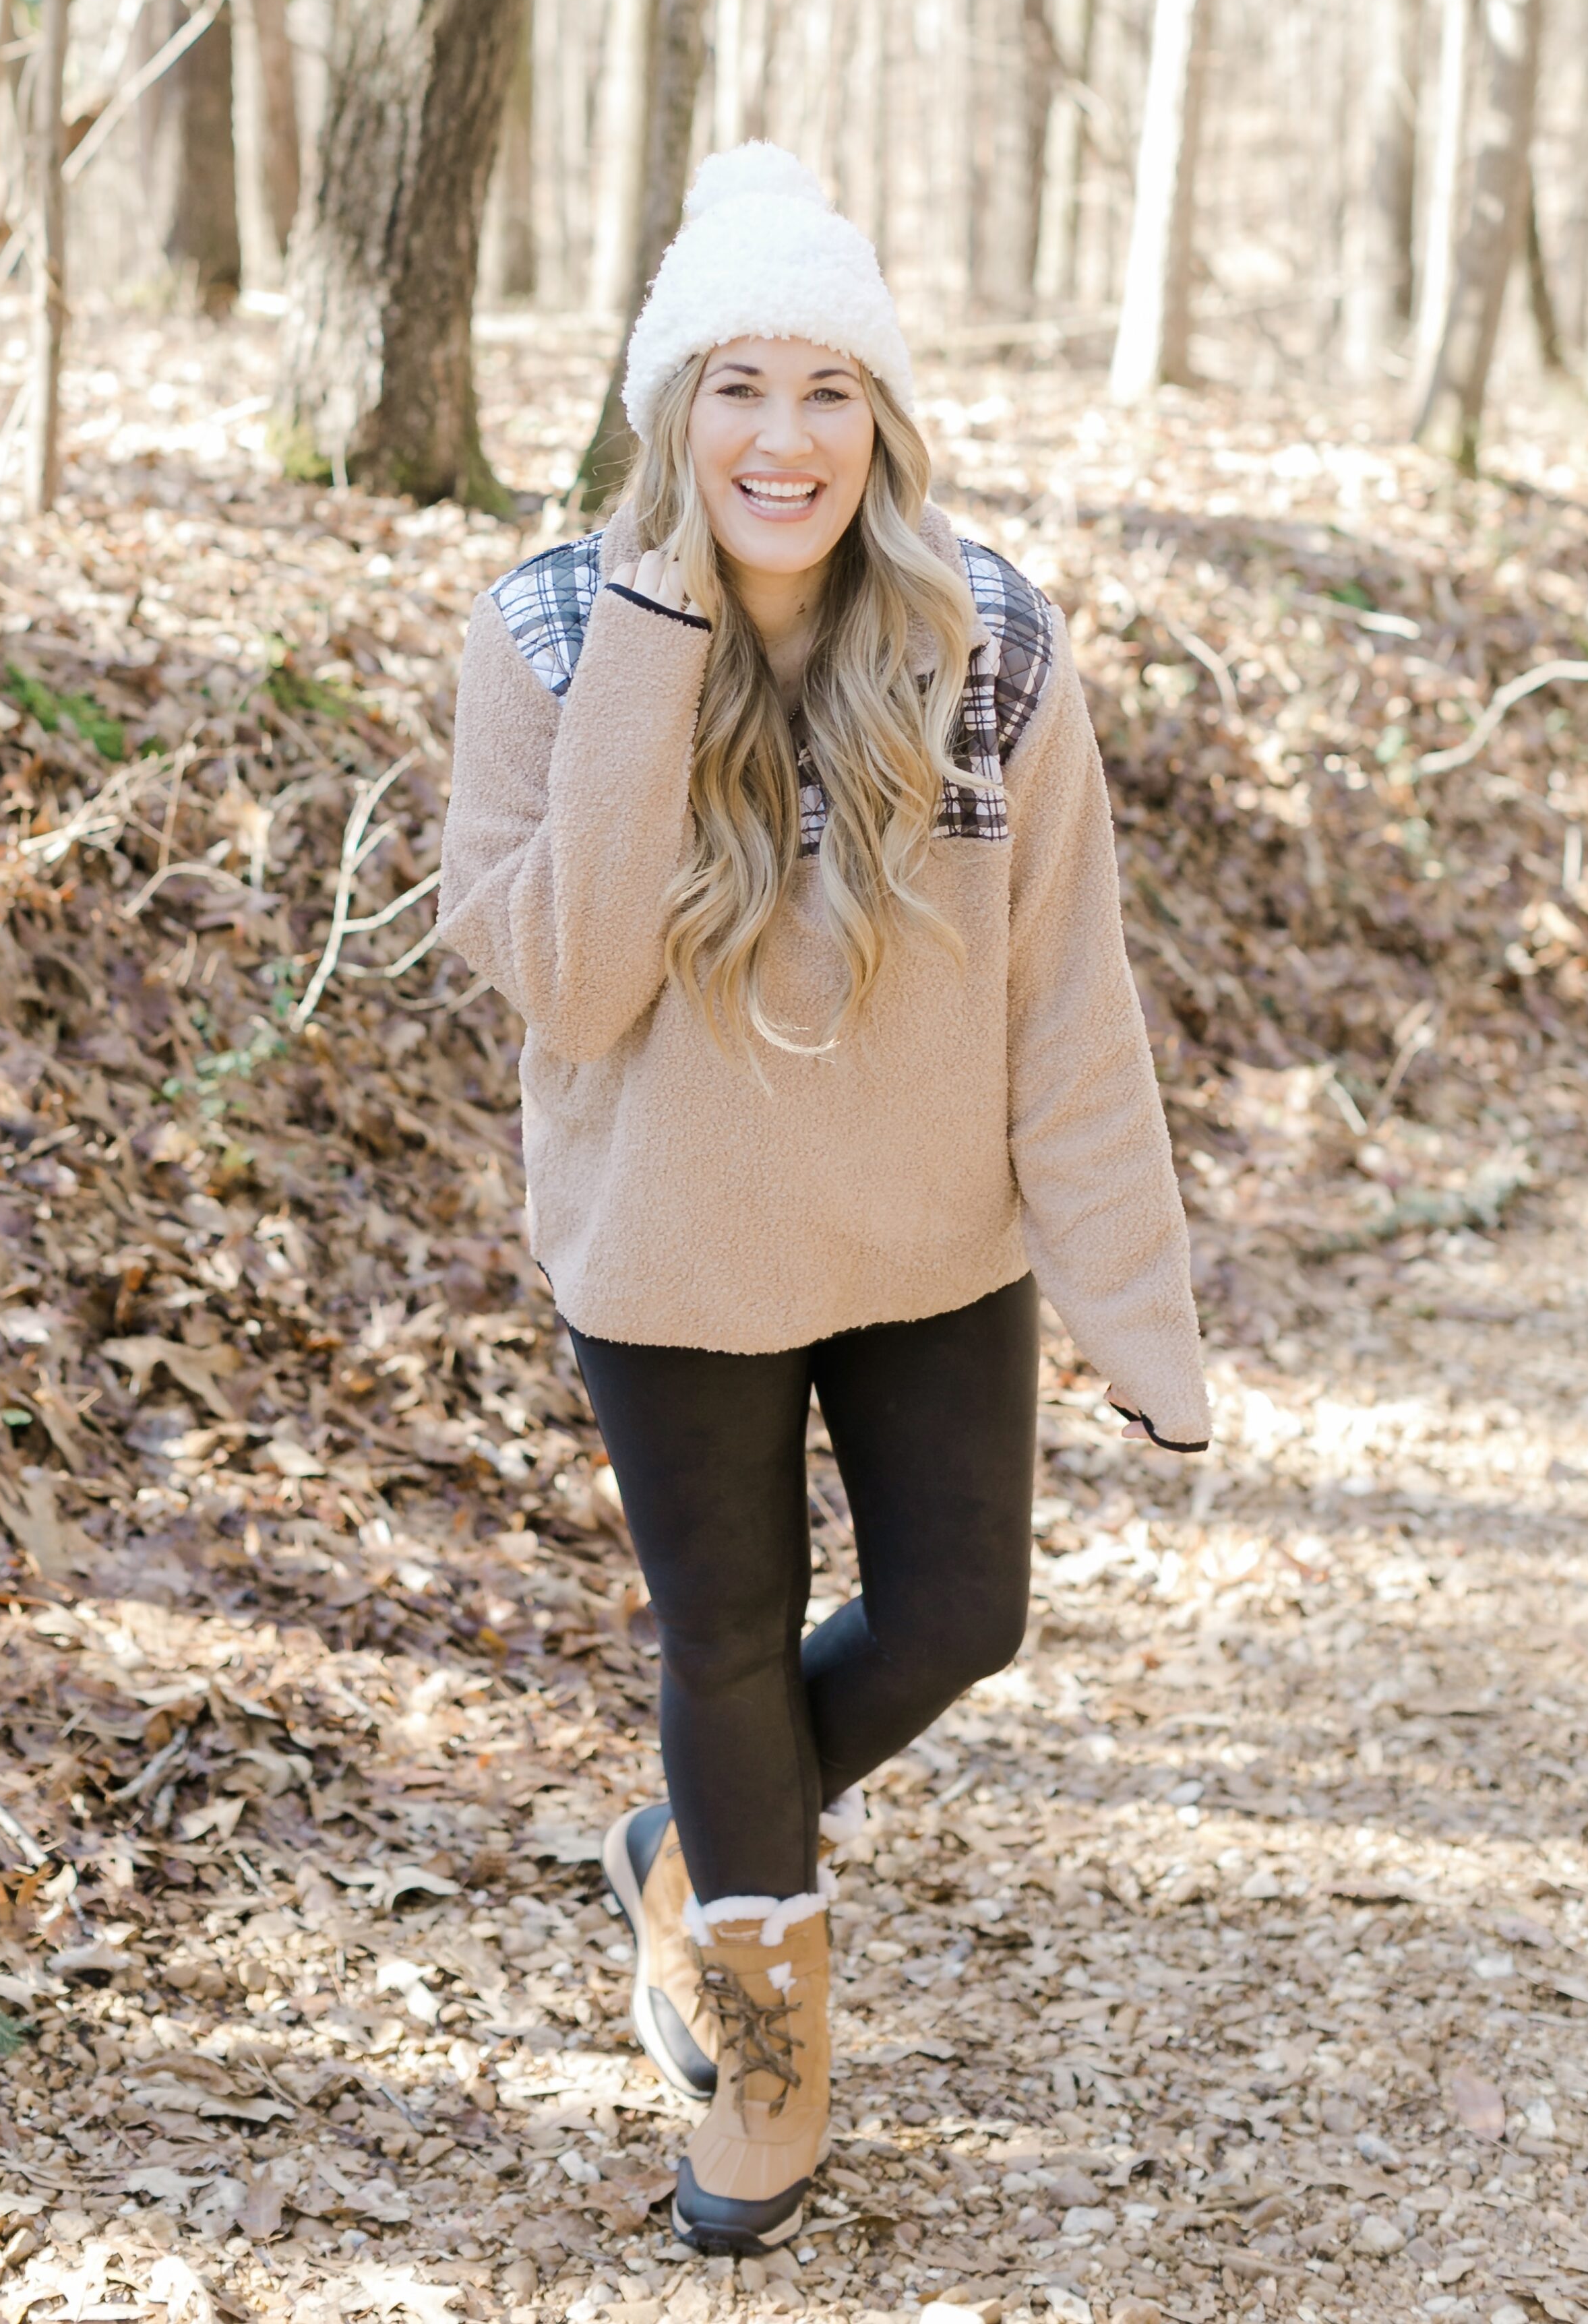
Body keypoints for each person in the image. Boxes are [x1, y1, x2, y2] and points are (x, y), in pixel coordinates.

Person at [438, 144, 1208, 2257]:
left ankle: (693, 1845)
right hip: (672, 1258)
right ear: (668, 408)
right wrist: (668, 631)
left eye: (828, 390)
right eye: (735, 389)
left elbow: (1069, 991)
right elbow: (576, 975)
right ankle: (763, 2048)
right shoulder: (548, 631)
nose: (783, 440)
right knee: (731, 1644)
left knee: (967, 1613)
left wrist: (1136, 1303)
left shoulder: (989, 640)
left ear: (884, 418)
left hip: (927, 1240)